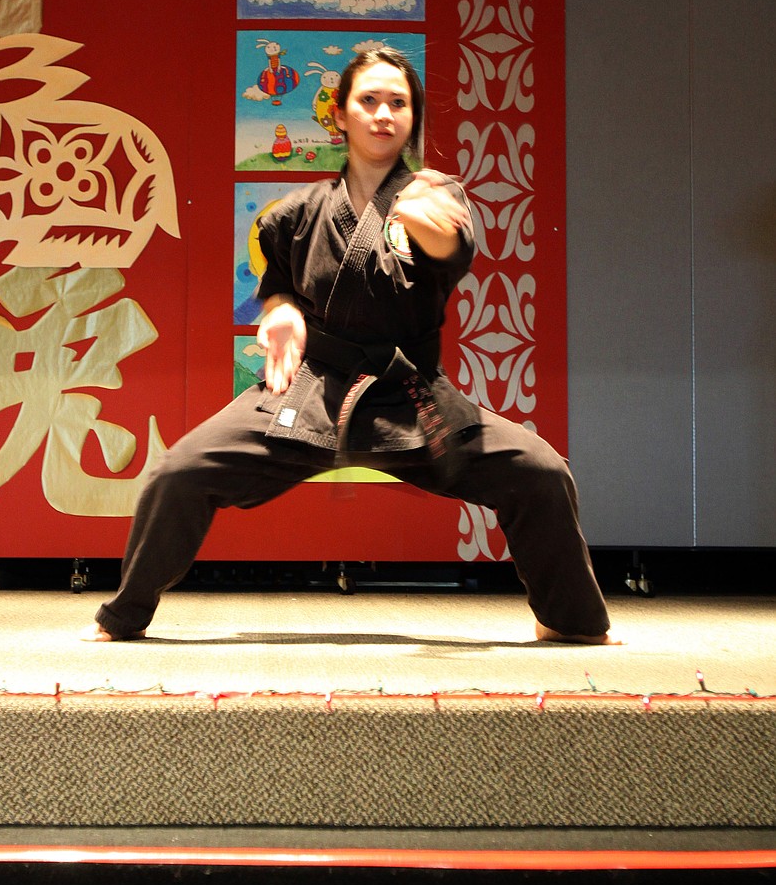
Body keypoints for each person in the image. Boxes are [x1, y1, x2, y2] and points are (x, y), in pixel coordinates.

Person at [85, 46, 614, 644]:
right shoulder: (298, 214)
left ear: (414, 117)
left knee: (540, 471)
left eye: (399, 103)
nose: (384, 114)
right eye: (369, 101)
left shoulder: (436, 195)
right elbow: (280, 286)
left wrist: (425, 223)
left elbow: (451, 250)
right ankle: (124, 617)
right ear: (339, 114)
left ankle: (569, 620)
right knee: (179, 472)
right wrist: (281, 314)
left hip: (410, 397)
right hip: (311, 392)